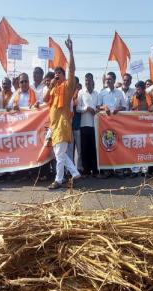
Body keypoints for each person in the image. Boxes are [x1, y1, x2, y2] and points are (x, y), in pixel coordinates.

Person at [44, 36, 80, 189]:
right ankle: (75, 173)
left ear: (65, 77)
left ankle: (59, 180)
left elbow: (72, 69)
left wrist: (70, 51)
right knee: (60, 153)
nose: (57, 75)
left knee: (59, 154)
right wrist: (50, 85)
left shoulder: (67, 87)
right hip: (54, 127)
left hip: (63, 126)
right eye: (55, 73)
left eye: (60, 73)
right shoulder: (53, 89)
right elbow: (45, 99)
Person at [97, 71, 126, 178]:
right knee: (107, 146)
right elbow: (97, 106)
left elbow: (124, 106)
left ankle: (118, 170)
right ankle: (107, 171)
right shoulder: (102, 93)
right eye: (106, 79)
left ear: (114, 80)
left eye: (110, 79)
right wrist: (104, 107)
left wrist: (118, 109)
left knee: (118, 146)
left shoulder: (120, 93)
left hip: (117, 124)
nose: (108, 81)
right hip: (106, 125)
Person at [129, 81, 153, 177]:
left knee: (146, 148)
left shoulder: (149, 97)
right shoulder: (133, 97)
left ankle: (145, 170)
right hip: (136, 126)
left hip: (147, 127)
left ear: (143, 89)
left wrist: (152, 107)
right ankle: (135, 171)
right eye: (136, 89)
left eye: (139, 89)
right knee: (136, 148)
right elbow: (130, 109)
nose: (137, 91)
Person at [76, 73, 99, 178]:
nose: (87, 82)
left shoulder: (96, 93)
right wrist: (86, 109)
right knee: (84, 148)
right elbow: (77, 109)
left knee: (93, 148)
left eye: (89, 80)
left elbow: (99, 107)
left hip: (94, 124)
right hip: (84, 124)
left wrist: (96, 110)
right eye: (86, 80)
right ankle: (85, 171)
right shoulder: (80, 93)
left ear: (92, 81)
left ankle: (95, 170)